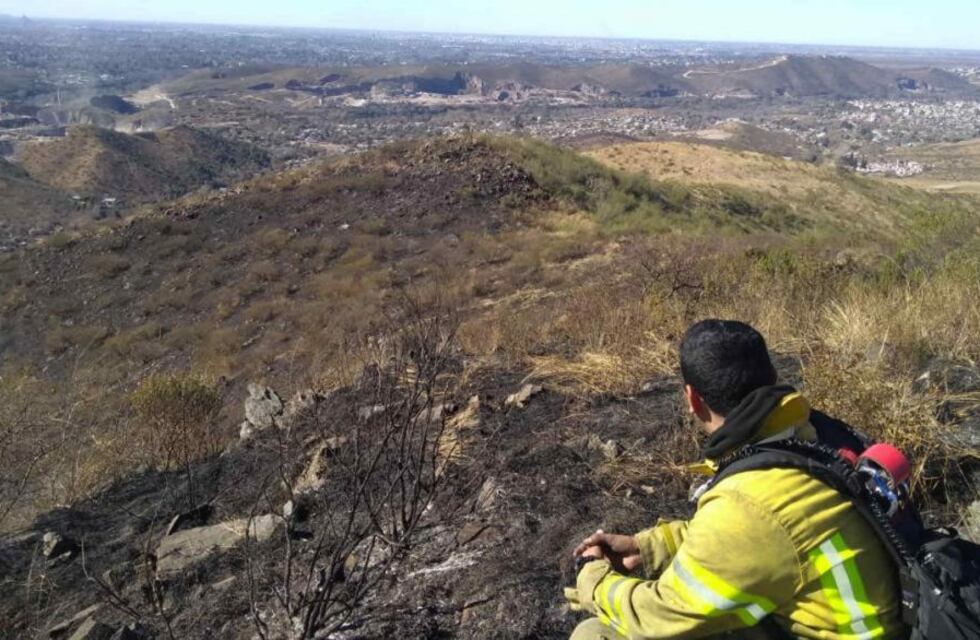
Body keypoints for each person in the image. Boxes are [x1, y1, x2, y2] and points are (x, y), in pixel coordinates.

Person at [564, 319, 906, 640]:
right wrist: (647, 547)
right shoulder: (812, 434)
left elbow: (660, 615)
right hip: (862, 620)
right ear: (771, 377)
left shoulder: (750, 501)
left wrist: (592, 577)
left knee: (595, 633)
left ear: (692, 398)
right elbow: (757, 536)